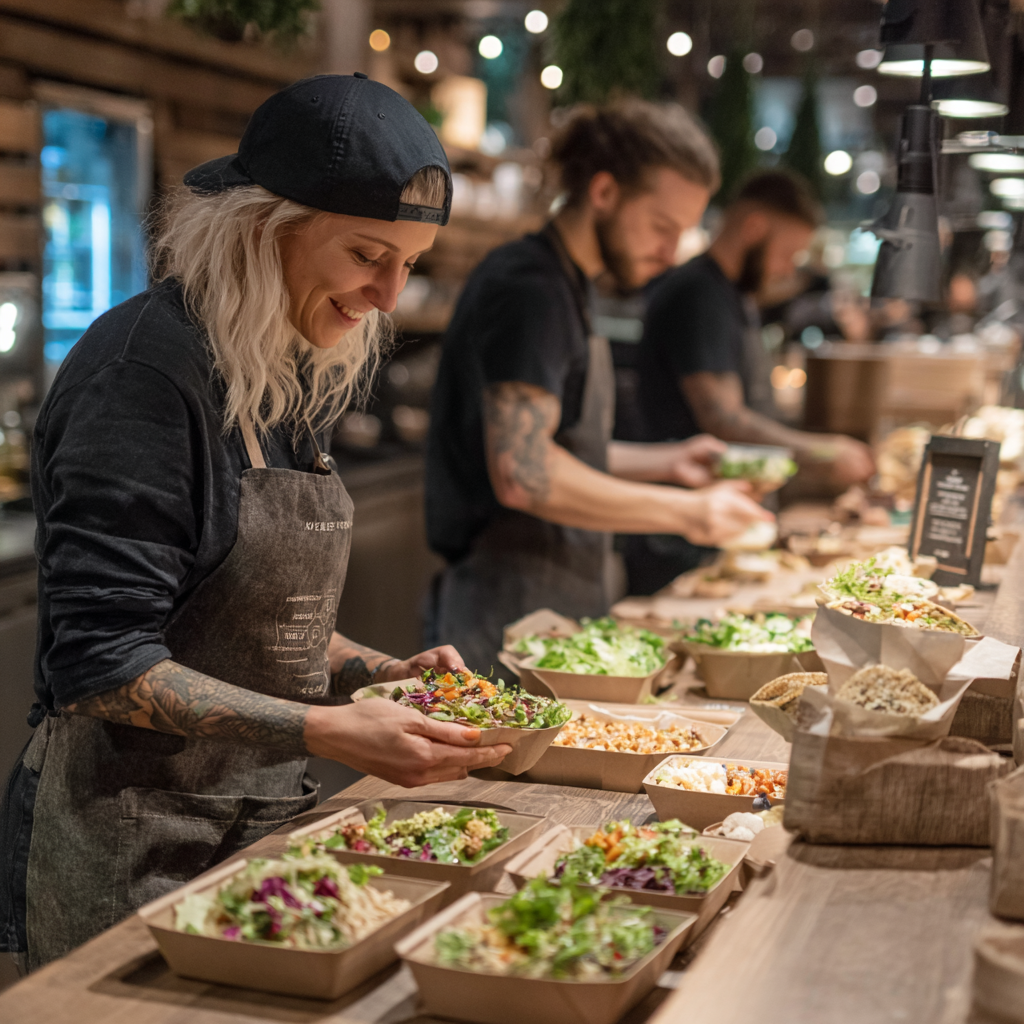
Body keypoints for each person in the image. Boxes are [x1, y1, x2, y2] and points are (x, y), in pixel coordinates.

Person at [0, 74, 512, 972]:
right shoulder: (144, 377)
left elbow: (254, 626)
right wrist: (325, 729)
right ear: (265, 228)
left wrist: (377, 675)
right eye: (366, 255)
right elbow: (100, 664)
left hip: (253, 836)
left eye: (408, 265)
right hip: (127, 847)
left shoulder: (272, 367)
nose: (389, 296)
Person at [425, 101, 771, 671]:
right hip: (502, 610)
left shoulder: (569, 284)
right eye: (662, 228)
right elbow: (523, 474)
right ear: (604, 192)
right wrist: (688, 513)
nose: (669, 252)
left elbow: (560, 449)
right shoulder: (529, 289)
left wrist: (669, 462)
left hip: (552, 600)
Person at [627, 170, 876, 592]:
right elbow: (724, 418)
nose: (785, 270)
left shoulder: (730, 294)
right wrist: (822, 452)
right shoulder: (699, 295)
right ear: (755, 227)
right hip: (683, 533)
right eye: (787, 253)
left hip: (719, 519)